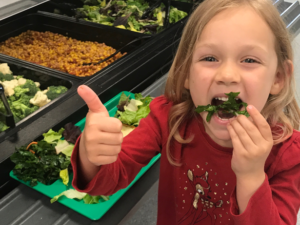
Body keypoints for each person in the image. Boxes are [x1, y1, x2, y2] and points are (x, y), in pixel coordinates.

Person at [71, 0, 300, 224]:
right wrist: (90, 154)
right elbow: (107, 182)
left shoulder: (288, 156)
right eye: (209, 58)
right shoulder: (169, 118)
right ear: (187, 72)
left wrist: (251, 176)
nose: (227, 75)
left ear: (278, 78)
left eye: (249, 59)